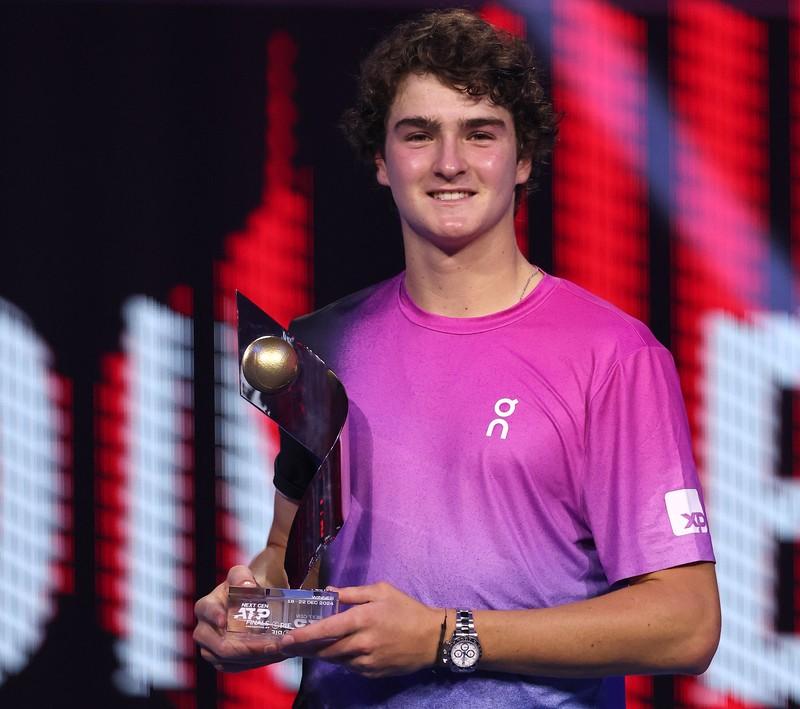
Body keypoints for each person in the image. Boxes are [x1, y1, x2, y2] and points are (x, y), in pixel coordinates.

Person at [194, 9, 720, 707]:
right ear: (382, 161)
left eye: (480, 134)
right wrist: (254, 612)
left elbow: (686, 623)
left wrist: (448, 635)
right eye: (419, 135)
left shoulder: (613, 355)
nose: (449, 162)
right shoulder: (320, 341)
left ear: (523, 158)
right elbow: (292, 566)